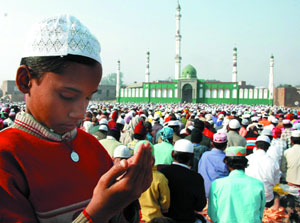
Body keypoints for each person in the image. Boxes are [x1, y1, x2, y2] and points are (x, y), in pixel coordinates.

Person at [0, 15, 153, 223]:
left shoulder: (91, 145)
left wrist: (127, 198)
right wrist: (96, 214)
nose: (80, 113)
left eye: (88, 97)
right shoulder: (7, 155)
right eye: (68, 96)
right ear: (25, 80)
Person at [208, 146, 265, 223]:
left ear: (226, 163)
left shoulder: (217, 184)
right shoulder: (258, 184)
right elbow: (260, 212)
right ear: (245, 163)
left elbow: (212, 213)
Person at [159, 139, 207, 223]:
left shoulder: (162, 173)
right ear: (192, 157)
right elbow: (200, 206)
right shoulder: (196, 178)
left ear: (172, 154)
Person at [136, 141, 171, 222]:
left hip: (137, 218)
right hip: (155, 218)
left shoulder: (131, 177)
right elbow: (165, 202)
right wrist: (164, 210)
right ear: (153, 160)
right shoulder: (160, 178)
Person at [245, 135, 281, 207]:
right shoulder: (273, 161)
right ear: (268, 147)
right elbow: (276, 181)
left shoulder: (247, 159)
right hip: (267, 197)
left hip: (248, 196)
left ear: (255, 145)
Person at [198, 133, 229, 198]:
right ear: (225, 145)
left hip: (204, 192)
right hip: (220, 194)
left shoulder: (205, 155)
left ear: (212, 144)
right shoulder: (226, 159)